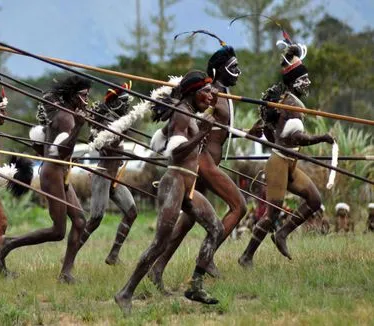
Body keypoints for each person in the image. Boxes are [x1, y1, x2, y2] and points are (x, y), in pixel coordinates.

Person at [149, 42, 262, 292]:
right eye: (233, 67)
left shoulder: (223, 95)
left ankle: (157, 268)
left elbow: (220, 131)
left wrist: (247, 133)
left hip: (205, 161)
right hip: (203, 163)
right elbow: (194, 119)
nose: (238, 72)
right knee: (239, 206)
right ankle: (206, 258)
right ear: (219, 70)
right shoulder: (212, 95)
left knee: (188, 218)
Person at [115, 71, 223, 314]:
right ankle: (125, 292)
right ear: (194, 92)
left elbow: (161, 140)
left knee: (216, 228)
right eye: (205, 92)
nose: (210, 96)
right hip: (174, 181)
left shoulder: (186, 112)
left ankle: (196, 285)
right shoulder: (183, 113)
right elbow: (175, 152)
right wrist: (203, 134)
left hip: (188, 185)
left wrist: (199, 130)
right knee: (159, 243)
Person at [238, 42, 335, 267]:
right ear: (293, 82)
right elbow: (297, 138)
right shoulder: (291, 104)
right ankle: (246, 256)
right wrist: (323, 137)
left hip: (290, 162)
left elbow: (272, 131)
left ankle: (281, 234)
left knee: (314, 200)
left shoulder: (286, 102)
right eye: (304, 79)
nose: (308, 83)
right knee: (272, 211)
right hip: (279, 162)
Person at [0, 75, 90, 283]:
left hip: (59, 172)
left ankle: (65, 273)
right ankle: (8, 243)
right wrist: (78, 127)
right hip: (53, 173)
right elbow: (63, 149)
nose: (87, 100)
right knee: (58, 231)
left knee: (80, 221)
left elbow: (41, 145)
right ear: (73, 96)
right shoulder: (66, 118)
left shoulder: (65, 113)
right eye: (84, 96)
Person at [80, 83, 138, 265]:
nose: (127, 107)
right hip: (102, 175)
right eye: (124, 102)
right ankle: (70, 253)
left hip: (114, 176)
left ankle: (113, 255)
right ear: (114, 104)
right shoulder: (105, 123)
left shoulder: (119, 122)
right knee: (96, 218)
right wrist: (120, 135)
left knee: (131, 212)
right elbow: (103, 145)